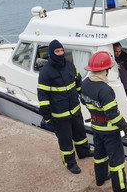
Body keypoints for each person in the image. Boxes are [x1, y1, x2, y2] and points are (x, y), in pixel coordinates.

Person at [81, 51, 127, 192]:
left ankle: (100, 178)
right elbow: (112, 114)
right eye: (108, 69)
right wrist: (124, 126)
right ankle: (120, 187)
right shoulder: (105, 89)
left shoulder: (85, 83)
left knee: (99, 154)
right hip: (110, 130)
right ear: (104, 71)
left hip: (96, 127)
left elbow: (84, 101)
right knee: (116, 159)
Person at [37, 39, 93, 174]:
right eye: (57, 51)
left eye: (62, 50)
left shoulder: (69, 65)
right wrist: (47, 116)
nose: (60, 53)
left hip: (75, 109)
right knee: (65, 141)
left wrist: (84, 97)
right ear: (52, 53)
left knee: (80, 133)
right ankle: (69, 162)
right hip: (60, 115)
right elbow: (43, 95)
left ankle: (84, 152)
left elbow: (78, 82)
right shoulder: (46, 72)